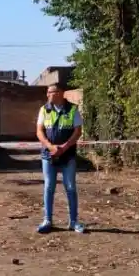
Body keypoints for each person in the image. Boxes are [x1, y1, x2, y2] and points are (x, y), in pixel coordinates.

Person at [35, 82, 84, 234]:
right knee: (49, 187)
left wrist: (64, 147)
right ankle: (47, 220)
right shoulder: (44, 110)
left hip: (67, 156)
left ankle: (74, 221)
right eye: (48, 92)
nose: (49, 95)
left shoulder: (73, 110)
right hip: (48, 156)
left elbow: (77, 132)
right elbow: (39, 131)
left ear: (60, 93)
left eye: (52, 92)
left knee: (70, 188)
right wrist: (50, 147)